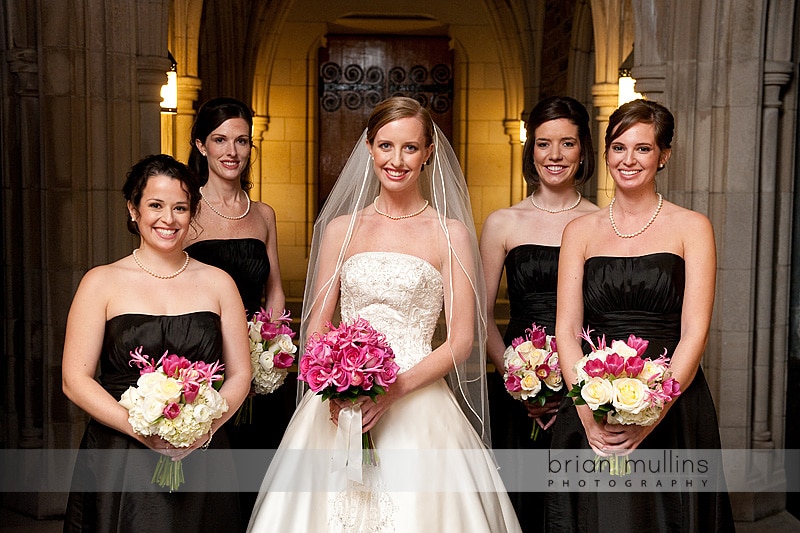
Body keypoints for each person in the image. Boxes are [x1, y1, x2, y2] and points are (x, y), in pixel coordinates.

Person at [247, 96, 522, 532]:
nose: (397, 160)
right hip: (340, 403)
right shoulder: (340, 230)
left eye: (410, 147)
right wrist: (338, 387)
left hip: (419, 398)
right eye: (386, 146)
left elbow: (461, 340)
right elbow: (316, 329)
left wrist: (391, 390)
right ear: (369, 148)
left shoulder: (450, 234)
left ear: (429, 152)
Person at [545, 99, 734, 532]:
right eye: (618, 147)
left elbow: (694, 332)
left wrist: (655, 412)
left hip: (672, 403)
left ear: (664, 154)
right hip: (590, 401)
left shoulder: (692, 227)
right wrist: (587, 411)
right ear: (606, 152)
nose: (628, 160)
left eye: (643, 149)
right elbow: (566, 330)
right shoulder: (579, 231)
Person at [62, 154, 251, 532]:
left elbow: (240, 373)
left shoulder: (219, 283)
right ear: (133, 210)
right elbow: (74, 379)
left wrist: (201, 430)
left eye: (180, 207)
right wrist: (143, 431)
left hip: (203, 451)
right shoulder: (101, 282)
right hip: (120, 455)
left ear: (192, 212)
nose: (169, 219)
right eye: (155, 205)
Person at [480, 96, 598, 531]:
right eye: (544, 143)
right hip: (517, 388)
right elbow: (480, 314)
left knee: (576, 505)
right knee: (521, 504)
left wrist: (579, 385)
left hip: (585, 386)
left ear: (583, 149)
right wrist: (518, 383)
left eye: (567, 144)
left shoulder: (602, 221)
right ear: (531, 149)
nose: (555, 156)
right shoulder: (503, 223)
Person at [185, 97, 292, 523]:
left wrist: (272, 344)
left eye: (242, 141)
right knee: (211, 480)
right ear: (200, 145)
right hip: (202, 362)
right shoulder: (184, 211)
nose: (232, 151)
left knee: (259, 472)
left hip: (258, 364)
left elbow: (276, 290)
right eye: (220, 140)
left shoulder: (263, 214)